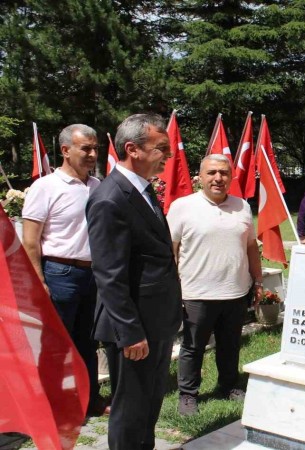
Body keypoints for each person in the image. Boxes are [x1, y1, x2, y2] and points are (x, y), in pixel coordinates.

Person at [86, 113, 182, 450]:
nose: (167, 157)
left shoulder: (141, 189)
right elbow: (109, 275)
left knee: (149, 403)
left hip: (155, 321)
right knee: (130, 409)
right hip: (134, 328)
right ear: (133, 149)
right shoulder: (110, 198)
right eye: (160, 149)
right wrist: (130, 332)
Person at [21, 124, 108, 416]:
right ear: (65, 150)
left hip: (92, 275)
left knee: (88, 341)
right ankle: (54, 407)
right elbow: (31, 241)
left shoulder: (97, 186)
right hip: (60, 274)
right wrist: (39, 282)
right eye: (86, 148)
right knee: (57, 344)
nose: (93, 154)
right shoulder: (45, 187)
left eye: (95, 148)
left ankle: (89, 400)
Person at [167, 154, 264, 416]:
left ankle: (229, 385)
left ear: (231, 176)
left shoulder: (242, 206)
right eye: (211, 173)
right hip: (196, 293)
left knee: (230, 343)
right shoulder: (182, 207)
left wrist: (258, 279)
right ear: (200, 177)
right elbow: (171, 250)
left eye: (223, 173)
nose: (218, 178)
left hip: (235, 291)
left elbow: (251, 246)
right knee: (193, 347)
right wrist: (172, 287)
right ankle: (188, 395)